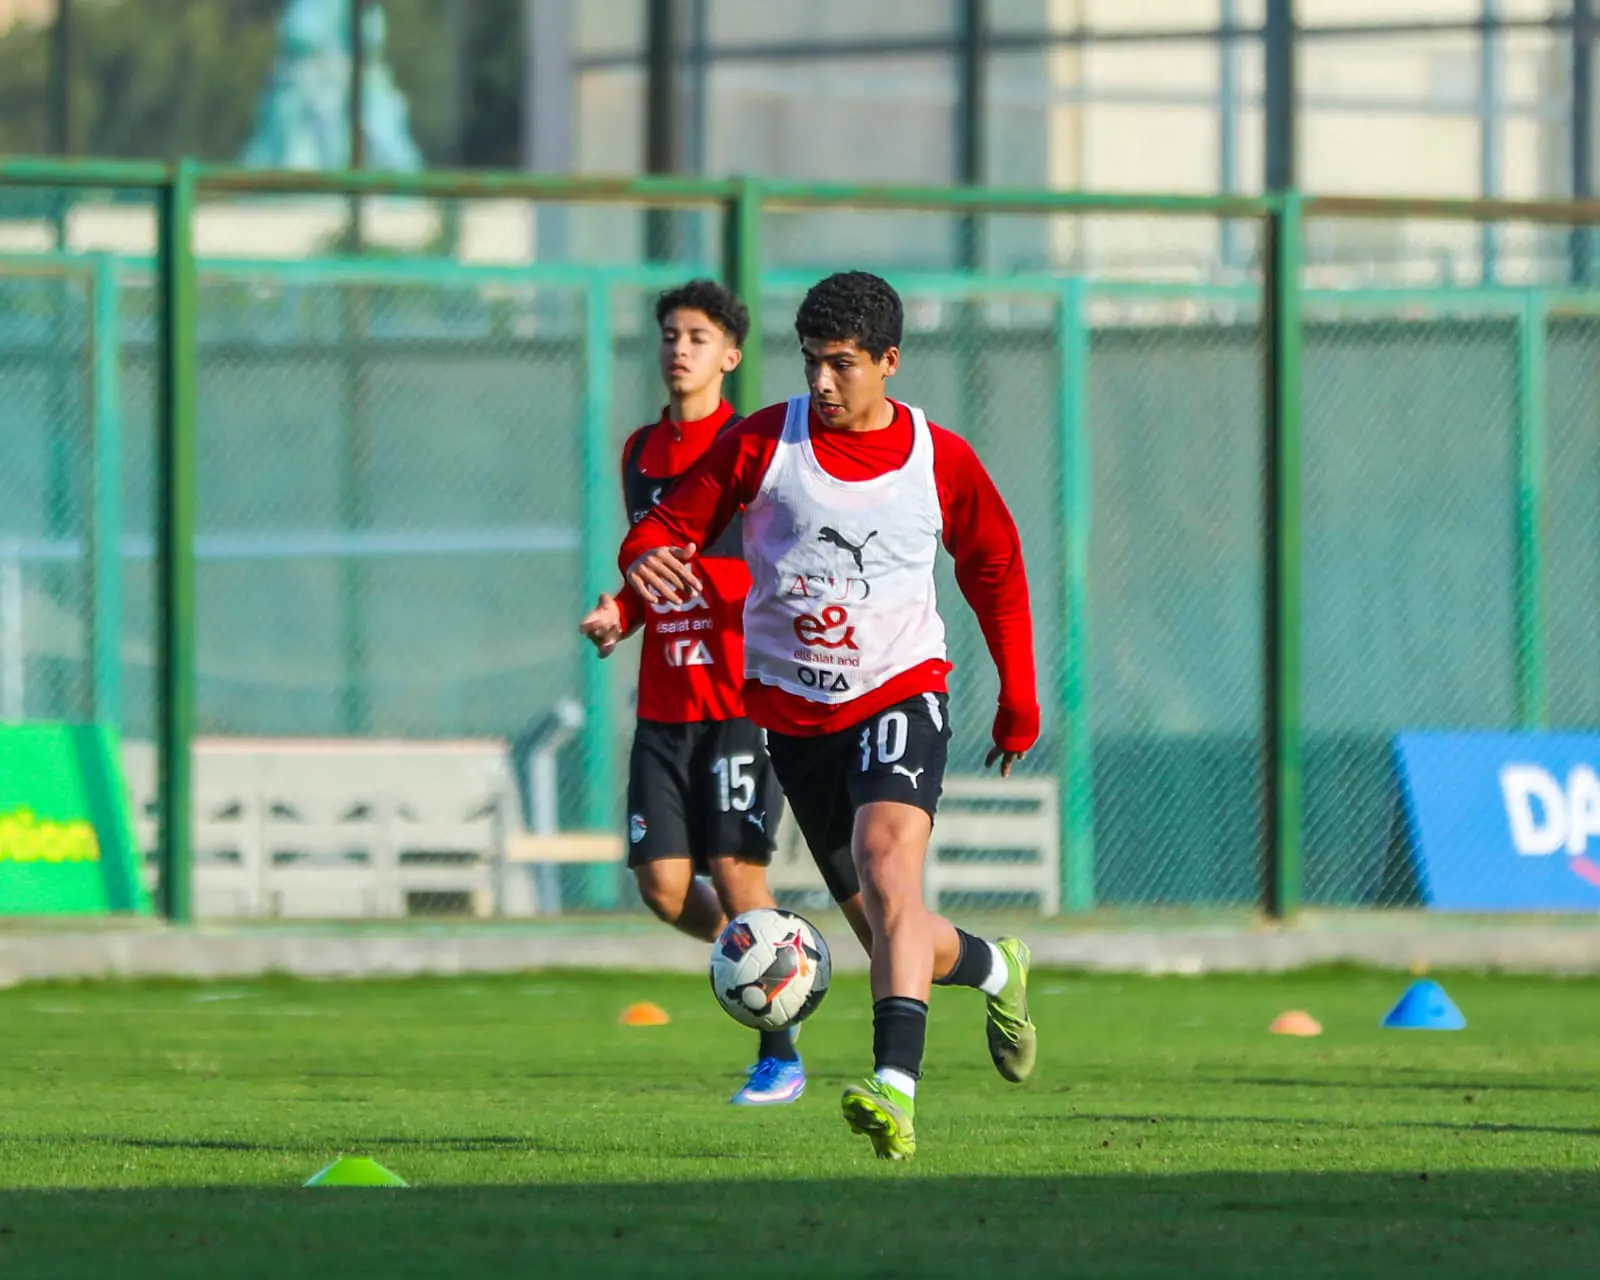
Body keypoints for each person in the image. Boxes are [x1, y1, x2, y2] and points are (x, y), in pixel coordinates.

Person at [620, 271, 1040, 1160]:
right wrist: (643, 551)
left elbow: (995, 568)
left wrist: (1018, 697)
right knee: (890, 931)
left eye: (841, 363)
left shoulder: (939, 459)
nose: (821, 380)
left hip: (900, 689)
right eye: (811, 360)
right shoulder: (761, 442)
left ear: (889, 361)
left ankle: (894, 1091)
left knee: (890, 869)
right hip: (796, 719)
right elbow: (670, 524)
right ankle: (997, 966)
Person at [578, 280, 801, 1106]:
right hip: (664, 704)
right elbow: (649, 567)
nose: (680, 349)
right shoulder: (641, 451)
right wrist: (622, 610)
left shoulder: (752, 446)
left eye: (698, 337)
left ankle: (780, 1050)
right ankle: (774, 963)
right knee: (665, 889)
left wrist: (707, 574)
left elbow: (778, 565)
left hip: (739, 698)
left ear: (730, 355)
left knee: (736, 873)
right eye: (671, 334)